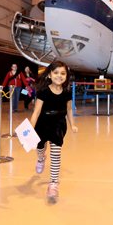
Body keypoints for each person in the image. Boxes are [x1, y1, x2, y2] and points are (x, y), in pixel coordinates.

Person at [29, 61, 78, 202]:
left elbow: (69, 110)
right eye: (56, 72)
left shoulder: (67, 93)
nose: (59, 76)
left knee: (56, 154)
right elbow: (36, 112)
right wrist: (31, 128)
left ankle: (54, 184)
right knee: (40, 148)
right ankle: (40, 158)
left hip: (58, 125)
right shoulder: (43, 92)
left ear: (66, 76)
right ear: (49, 75)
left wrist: (73, 124)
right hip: (42, 124)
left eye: (63, 73)